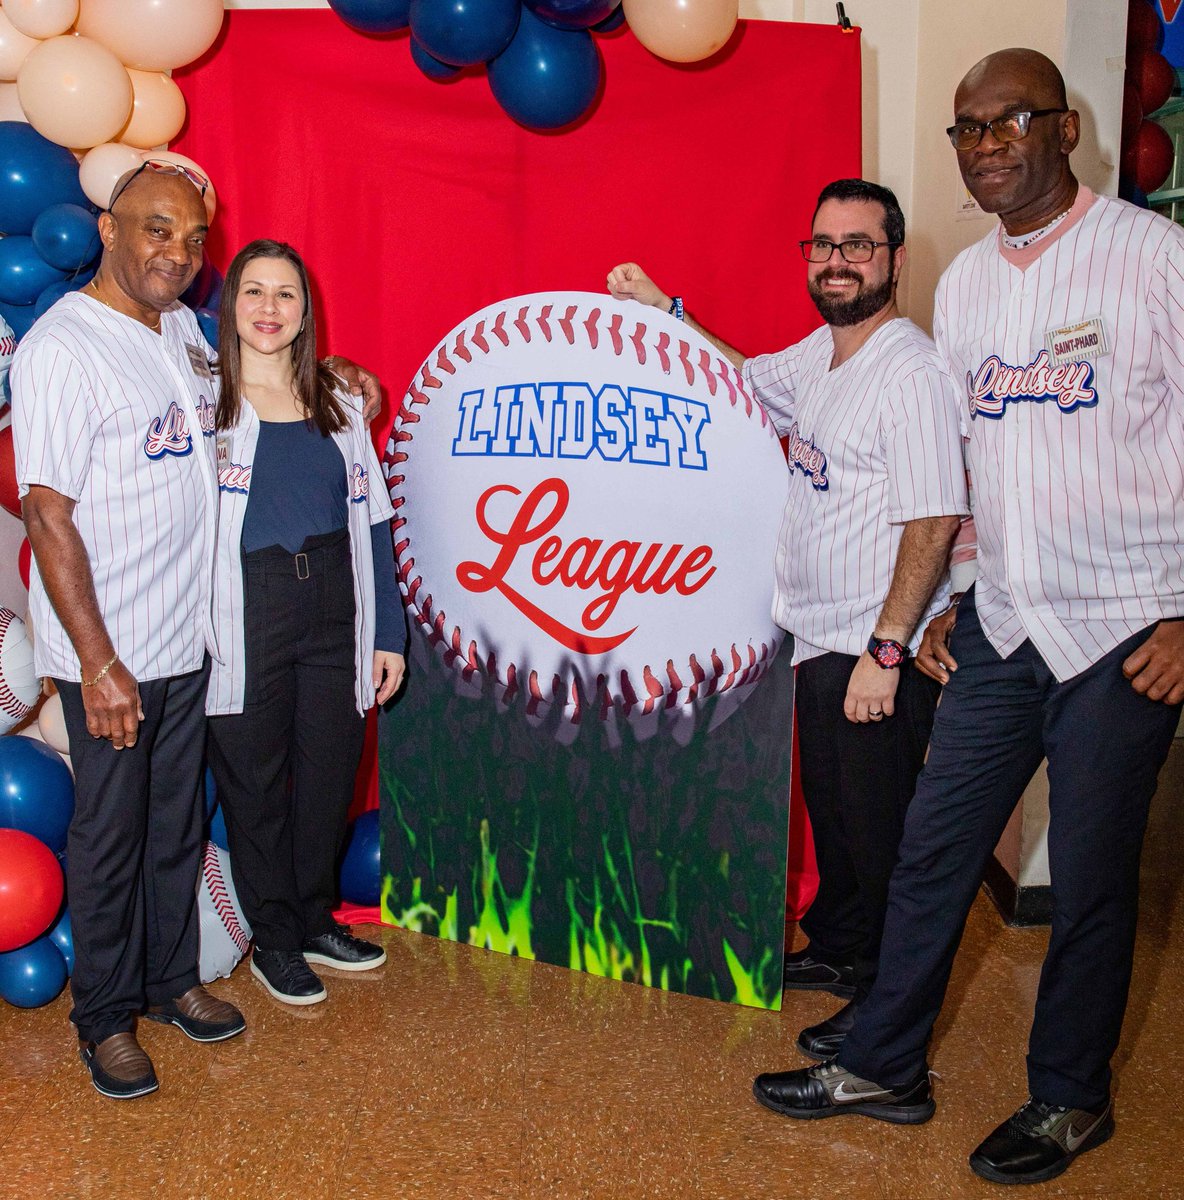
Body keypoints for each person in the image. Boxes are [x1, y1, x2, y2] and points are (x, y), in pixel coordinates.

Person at [752, 49, 1184, 1189]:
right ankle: (886, 1065)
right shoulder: (969, 288)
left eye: (1009, 122)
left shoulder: (1151, 258)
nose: (986, 144)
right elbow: (978, 464)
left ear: (1067, 129)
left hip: (1125, 630)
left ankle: (1066, 1099)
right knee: (931, 853)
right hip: (1000, 625)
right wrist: (951, 596)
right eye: (966, 130)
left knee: (1089, 880)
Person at [11, 162, 381, 1100]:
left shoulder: (178, 329)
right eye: (154, 230)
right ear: (109, 228)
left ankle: (172, 979)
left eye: (190, 238)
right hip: (114, 658)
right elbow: (47, 514)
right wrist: (96, 664)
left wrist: (339, 376)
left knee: (173, 830)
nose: (175, 253)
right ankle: (103, 1019)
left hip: (187, 642)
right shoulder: (63, 346)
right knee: (110, 839)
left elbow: (263, 381)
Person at [608, 179, 968, 1056]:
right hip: (819, 637)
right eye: (824, 245)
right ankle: (843, 952)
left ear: (895, 258)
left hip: (870, 645)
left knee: (881, 837)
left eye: (858, 245)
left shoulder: (909, 370)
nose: (838, 260)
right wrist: (668, 310)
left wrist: (888, 649)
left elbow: (934, 516)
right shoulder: (823, 352)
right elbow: (743, 381)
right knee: (838, 822)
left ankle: (884, 1009)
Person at [205, 240, 406, 1007]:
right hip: (245, 606)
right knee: (254, 784)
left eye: (284, 294)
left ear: (305, 310)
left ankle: (316, 917)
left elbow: (378, 526)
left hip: (333, 602)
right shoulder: (200, 400)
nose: (267, 307)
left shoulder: (340, 400)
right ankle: (275, 940)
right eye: (252, 291)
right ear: (231, 307)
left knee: (328, 771)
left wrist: (389, 632)